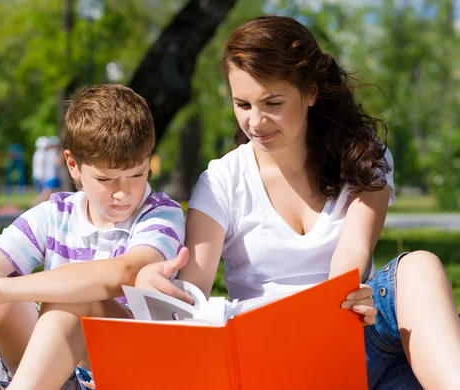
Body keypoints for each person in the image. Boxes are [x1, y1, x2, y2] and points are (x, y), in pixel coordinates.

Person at [135, 16, 460, 389]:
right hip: (270, 358)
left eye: (273, 102)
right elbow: (193, 291)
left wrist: (350, 301)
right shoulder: (221, 181)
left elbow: (349, 261)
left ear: (311, 92)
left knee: (418, 266)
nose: (255, 122)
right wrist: (157, 289)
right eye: (242, 104)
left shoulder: (363, 161)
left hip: (351, 338)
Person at [0, 84, 186, 390]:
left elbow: (126, 271)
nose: (123, 192)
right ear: (73, 165)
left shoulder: (161, 214)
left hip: (124, 373)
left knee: (75, 296)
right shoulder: (55, 214)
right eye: (105, 179)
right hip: (52, 372)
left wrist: (0, 290)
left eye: (137, 174)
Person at [32, 135, 63, 206]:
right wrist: (62, 154)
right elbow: (58, 163)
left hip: (49, 176)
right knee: (45, 194)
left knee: (55, 194)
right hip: (50, 176)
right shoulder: (47, 153)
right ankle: (34, 205)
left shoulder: (40, 153)